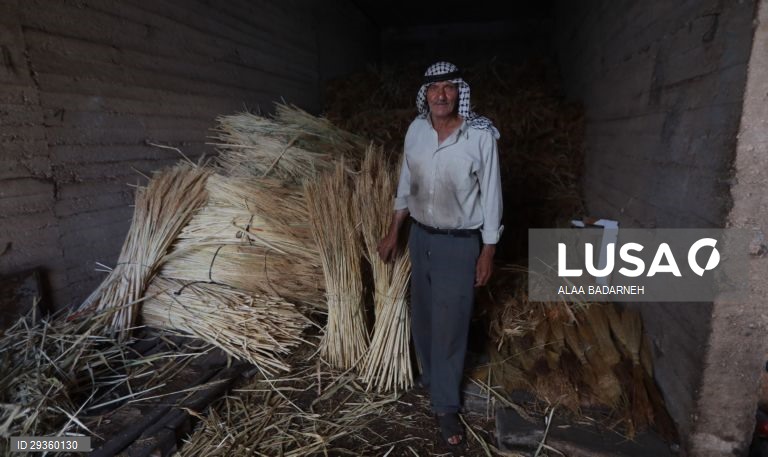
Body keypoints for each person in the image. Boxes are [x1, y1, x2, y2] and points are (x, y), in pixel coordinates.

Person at [378, 61, 503, 448]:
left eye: (449, 88)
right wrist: (394, 230)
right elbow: (405, 182)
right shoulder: (416, 131)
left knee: (451, 325)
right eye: (435, 89)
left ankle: (446, 406)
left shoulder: (479, 137)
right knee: (425, 316)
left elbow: (493, 196)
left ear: (459, 92)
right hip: (421, 236)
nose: (441, 95)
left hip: (458, 242)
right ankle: (432, 381)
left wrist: (488, 250)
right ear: (426, 95)